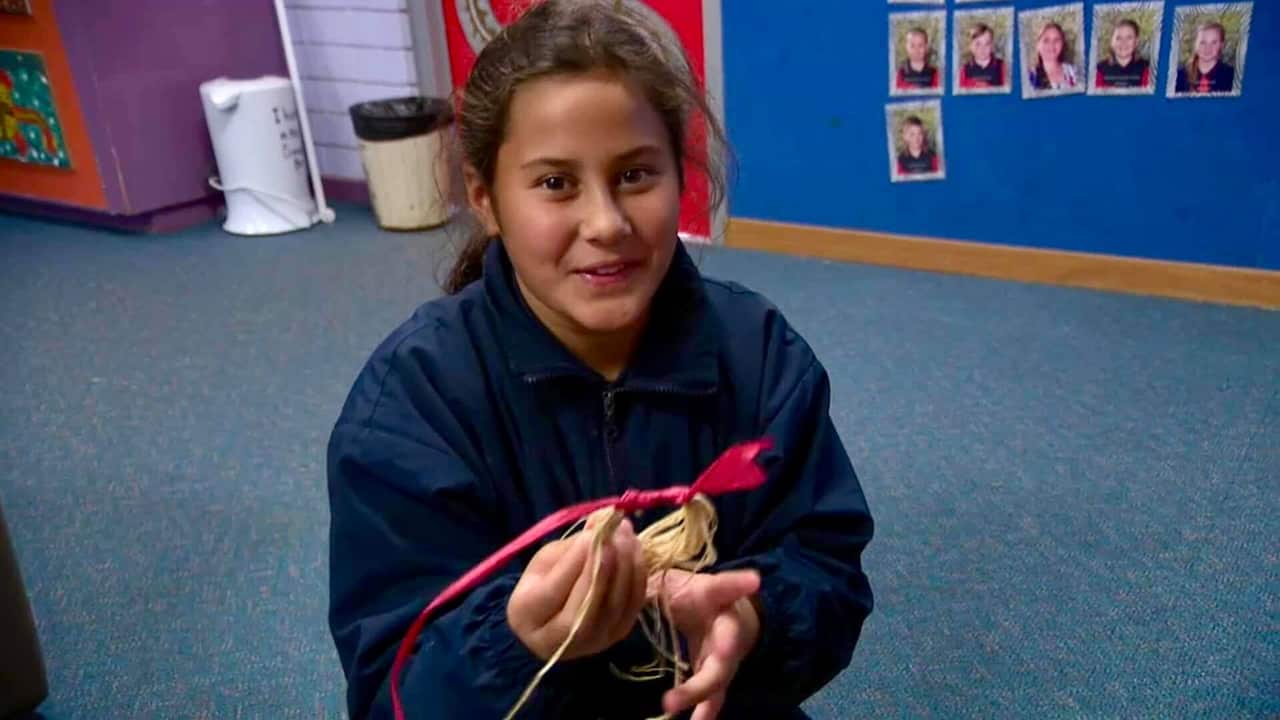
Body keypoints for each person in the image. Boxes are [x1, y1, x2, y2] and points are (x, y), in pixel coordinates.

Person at [325, 1, 875, 719]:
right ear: (486, 197)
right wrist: (513, 638)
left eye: (636, 175)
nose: (607, 224)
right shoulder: (412, 405)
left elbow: (828, 568)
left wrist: (754, 620)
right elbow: (391, 691)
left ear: (682, 175)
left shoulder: (761, 355)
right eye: (555, 183)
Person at [1175, 21, 1235, 93]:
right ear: (1195, 44)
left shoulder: (1231, 76)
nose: (1208, 48)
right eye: (1203, 42)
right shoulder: (1179, 76)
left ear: (1221, 45)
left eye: (1214, 42)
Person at [1095, 19, 1152, 89]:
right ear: (1111, 42)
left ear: (1136, 41)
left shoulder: (1147, 69)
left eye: (1129, 38)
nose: (1123, 42)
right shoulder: (1099, 70)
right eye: (1118, 38)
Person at [1028, 22, 1078, 91]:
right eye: (1046, 40)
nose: (1052, 45)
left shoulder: (1074, 72)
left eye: (1057, 40)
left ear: (1063, 44)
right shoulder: (1029, 78)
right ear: (1038, 45)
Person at [958, 23, 1006, 89]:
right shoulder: (963, 71)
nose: (982, 48)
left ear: (992, 45)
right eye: (978, 44)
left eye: (987, 44)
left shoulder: (1003, 67)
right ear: (970, 46)